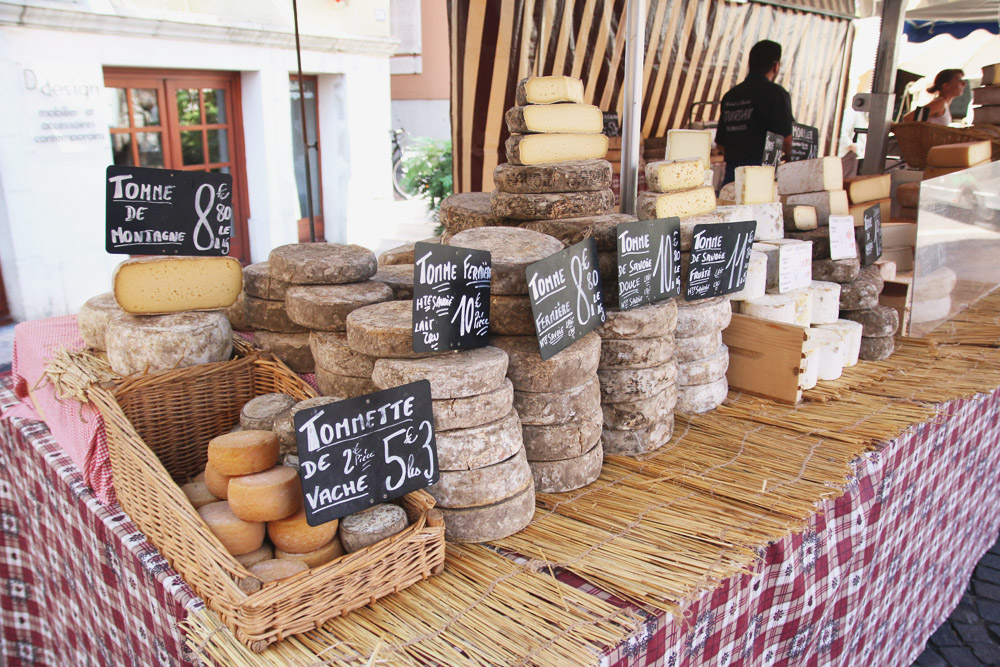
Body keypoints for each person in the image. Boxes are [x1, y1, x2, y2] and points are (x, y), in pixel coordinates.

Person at [715, 40, 795, 186]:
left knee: (729, 205)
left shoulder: (731, 95)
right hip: (761, 180)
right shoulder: (776, 94)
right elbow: (788, 141)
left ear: (749, 63)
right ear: (776, 66)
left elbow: (720, 144)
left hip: (732, 179)